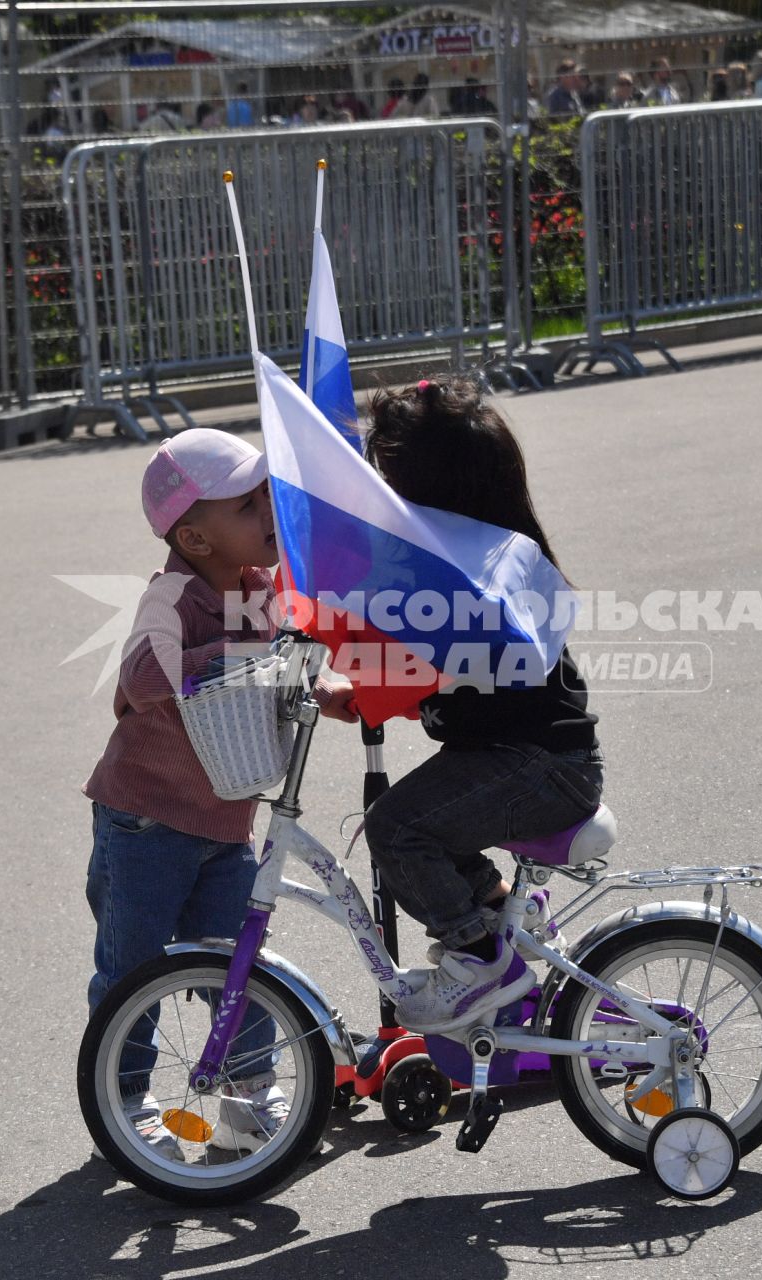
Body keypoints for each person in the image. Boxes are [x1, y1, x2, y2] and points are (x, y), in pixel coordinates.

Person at [83, 429, 353, 1158]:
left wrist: (320, 686)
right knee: (134, 971)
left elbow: (286, 658)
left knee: (242, 960)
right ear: (196, 535)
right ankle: (125, 1098)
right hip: (147, 821)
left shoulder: (261, 588)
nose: (269, 511)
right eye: (248, 503)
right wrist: (248, 653)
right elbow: (142, 679)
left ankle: (244, 1094)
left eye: (267, 495)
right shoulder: (172, 596)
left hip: (225, 819)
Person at [360, 377, 604, 1033]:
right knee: (424, 822)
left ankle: (481, 964)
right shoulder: (479, 557)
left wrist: (369, 681)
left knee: (397, 829)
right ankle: (502, 911)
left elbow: (438, 663)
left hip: (540, 767)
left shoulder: (478, 577)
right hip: (536, 759)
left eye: (390, 484)